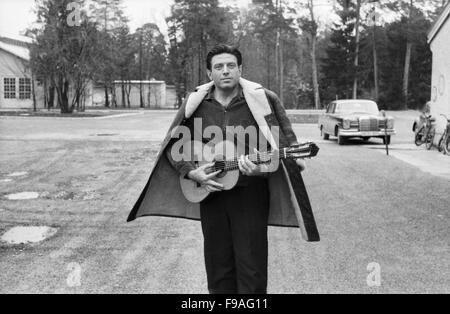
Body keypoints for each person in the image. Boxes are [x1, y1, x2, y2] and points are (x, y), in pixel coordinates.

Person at [127, 44, 320, 294]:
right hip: (211, 195)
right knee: (218, 268)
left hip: (251, 195)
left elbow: (284, 147)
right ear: (210, 73)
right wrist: (190, 172)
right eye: (219, 66)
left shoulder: (264, 100)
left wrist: (259, 170)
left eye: (231, 66)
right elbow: (174, 144)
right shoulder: (196, 103)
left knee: (252, 269)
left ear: (241, 69)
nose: (225, 71)